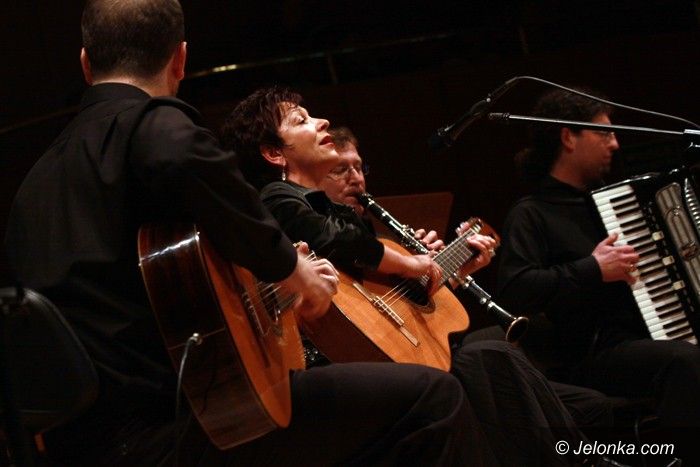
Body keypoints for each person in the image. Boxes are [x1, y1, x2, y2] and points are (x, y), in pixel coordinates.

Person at [3, 1, 492, 465]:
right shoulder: (155, 126)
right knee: (434, 397)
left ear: (86, 63)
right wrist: (292, 269)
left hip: (75, 444)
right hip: (176, 429)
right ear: (180, 59)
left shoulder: (35, 181)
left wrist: (273, 296)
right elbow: (178, 155)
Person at [220, 87, 621, 467]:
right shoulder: (276, 198)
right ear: (274, 153)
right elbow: (334, 242)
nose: (322, 122)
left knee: (495, 357)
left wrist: (445, 270)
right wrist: (411, 263)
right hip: (323, 364)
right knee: (487, 358)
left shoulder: (335, 210)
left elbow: (372, 298)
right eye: (302, 120)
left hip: (371, 350)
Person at [322, 125, 616, 431]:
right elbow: (365, 312)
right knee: (496, 355)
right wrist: (418, 267)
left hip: (416, 353)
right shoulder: (322, 236)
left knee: (589, 404)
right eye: (340, 170)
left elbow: (400, 306)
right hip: (373, 373)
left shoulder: (371, 233)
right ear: (314, 177)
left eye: (359, 167)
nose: (356, 178)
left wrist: (453, 269)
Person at [496, 88, 700, 462]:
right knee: (683, 360)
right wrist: (592, 269)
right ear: (568, 137)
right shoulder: (532, 213)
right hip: (591, 353)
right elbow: (514, 290)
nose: (615, 143)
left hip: (646, 340)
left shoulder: (620, 201)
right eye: (604, 133)